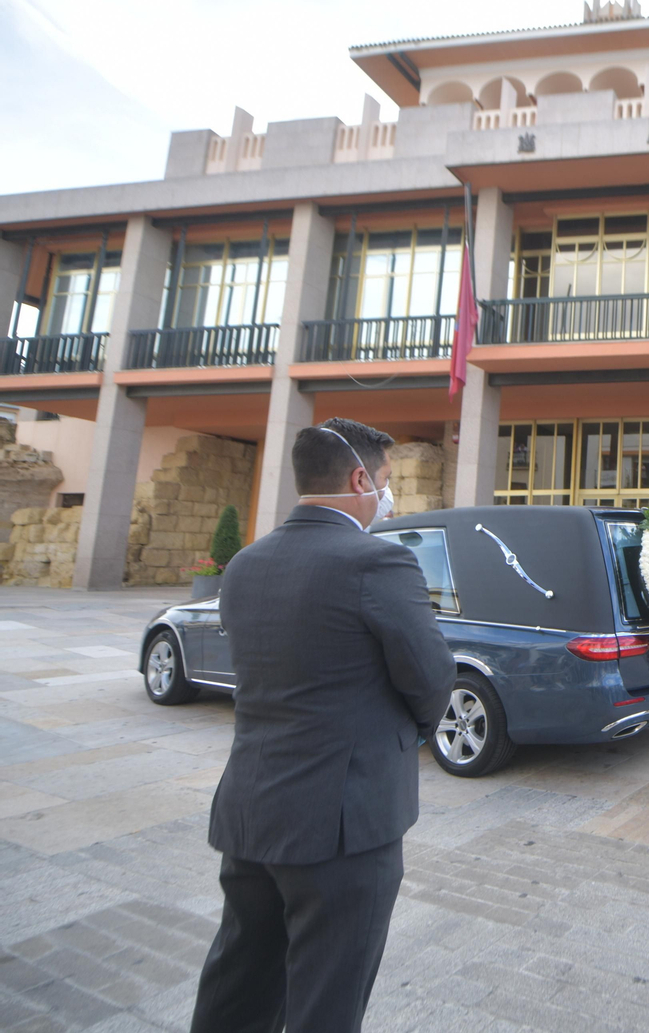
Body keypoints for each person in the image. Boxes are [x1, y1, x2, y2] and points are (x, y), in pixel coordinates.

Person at [190, 418, 454, 1033]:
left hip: (252, 810)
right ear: (361, 478)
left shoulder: (246, 563)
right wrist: (413, 731)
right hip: (343, 824)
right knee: (327, 1000)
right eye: (386, 481)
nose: (389, 495)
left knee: (239, 981)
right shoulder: (377, 561)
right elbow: (433, 678)